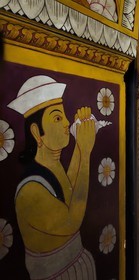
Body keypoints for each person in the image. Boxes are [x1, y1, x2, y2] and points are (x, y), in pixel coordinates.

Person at [7, 75, 97, 279]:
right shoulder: (30, 189)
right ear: (37, 132)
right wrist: (85, 152)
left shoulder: (53, 165)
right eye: (57, 118)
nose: (67, 122)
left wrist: (81, 146)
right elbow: (71, 222)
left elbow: (71, 190)